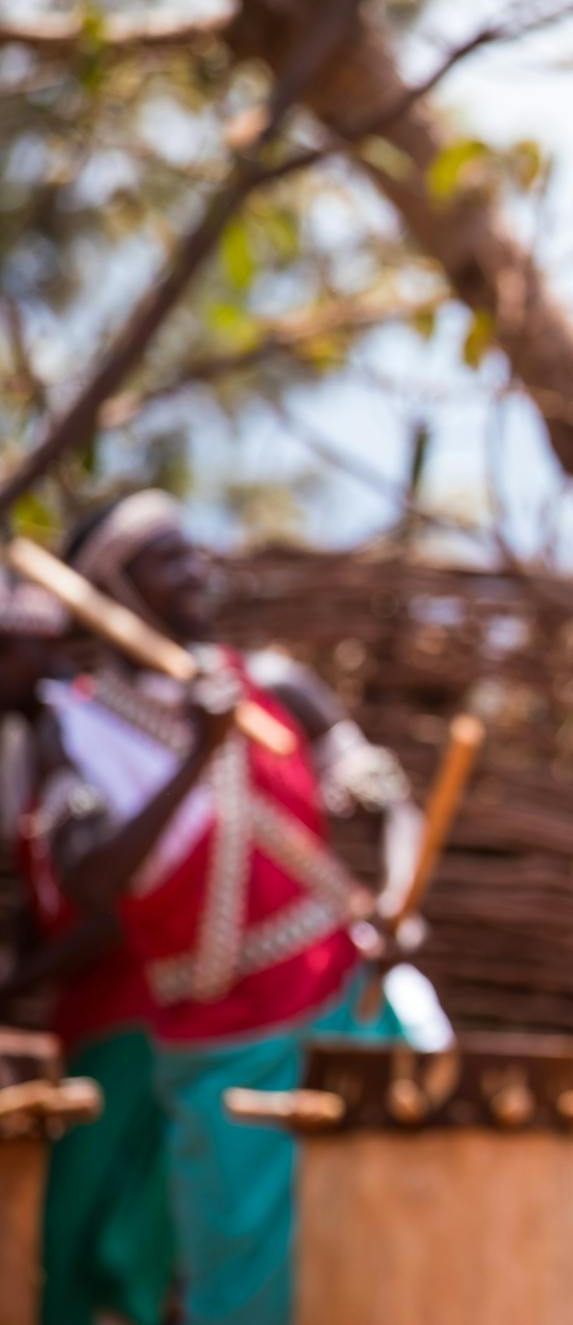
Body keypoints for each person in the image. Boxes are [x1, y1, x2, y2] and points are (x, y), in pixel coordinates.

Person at [38, 490, 421, 1325]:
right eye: (167, 557)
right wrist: (198, 756)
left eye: (193, 549)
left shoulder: (273, 683)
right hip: (221, 1048)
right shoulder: (75, 728)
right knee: (245, 1288)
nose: (195, 568)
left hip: (351, 1005)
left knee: (389, 1252)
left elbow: (390, 800)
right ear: (113, 587)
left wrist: (396, 899)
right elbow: (92, 883)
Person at [0, 571, 179, 1325]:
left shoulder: (76, 736)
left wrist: (13, 986)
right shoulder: (36, 750)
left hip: (130, 1024)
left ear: (36, 649)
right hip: (93, 1026)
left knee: (92, 1246)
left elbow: (106, 911)